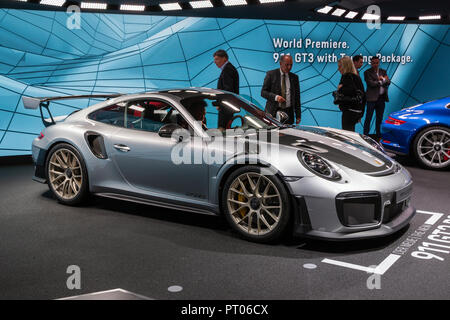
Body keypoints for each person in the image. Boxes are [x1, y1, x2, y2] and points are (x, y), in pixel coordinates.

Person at [261, 55, 301, 125]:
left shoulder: (294, 77)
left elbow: (297, 98)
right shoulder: (271, 74)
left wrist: (298, 116)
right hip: (272, 113)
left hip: (289, 114)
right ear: (280, 63)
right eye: (287, 65)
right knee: (271, 135)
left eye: (291, 65)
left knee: (287, 135)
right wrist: (276, 97)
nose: (289, 67)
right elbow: (263, 92)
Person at [363, 56, 391, 138]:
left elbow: (388, 82)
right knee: (368, 118)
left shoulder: (383, 71)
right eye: (374, 63)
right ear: (371, 63)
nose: (375, 64)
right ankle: (365, 136)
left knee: (379, 119)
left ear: (379, 63)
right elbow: (371, 84)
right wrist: (381, 80)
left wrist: (382, 80)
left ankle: (378, 136)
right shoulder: (367, 72)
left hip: (381, 99)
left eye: (377, 63)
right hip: (371, 99)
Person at [336, 56, 366, 132]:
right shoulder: (356, 77)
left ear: (345, 66)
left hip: (349, 111)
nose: (338, 69)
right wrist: (361, 113)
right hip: (355, 112)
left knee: (347, 135)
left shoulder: (347, 77)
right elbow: (363, 95)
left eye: (340, 66)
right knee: (349, 133)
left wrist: (340, 89)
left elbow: (348, 92)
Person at [213, 49, 239, 130]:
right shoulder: (228, 68)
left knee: (222, 130)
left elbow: (228, 90)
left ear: (224, 58)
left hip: (226, 107)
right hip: (227, 106)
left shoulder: (228, 70)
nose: (215, 62)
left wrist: (219, 103)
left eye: (217, 59)